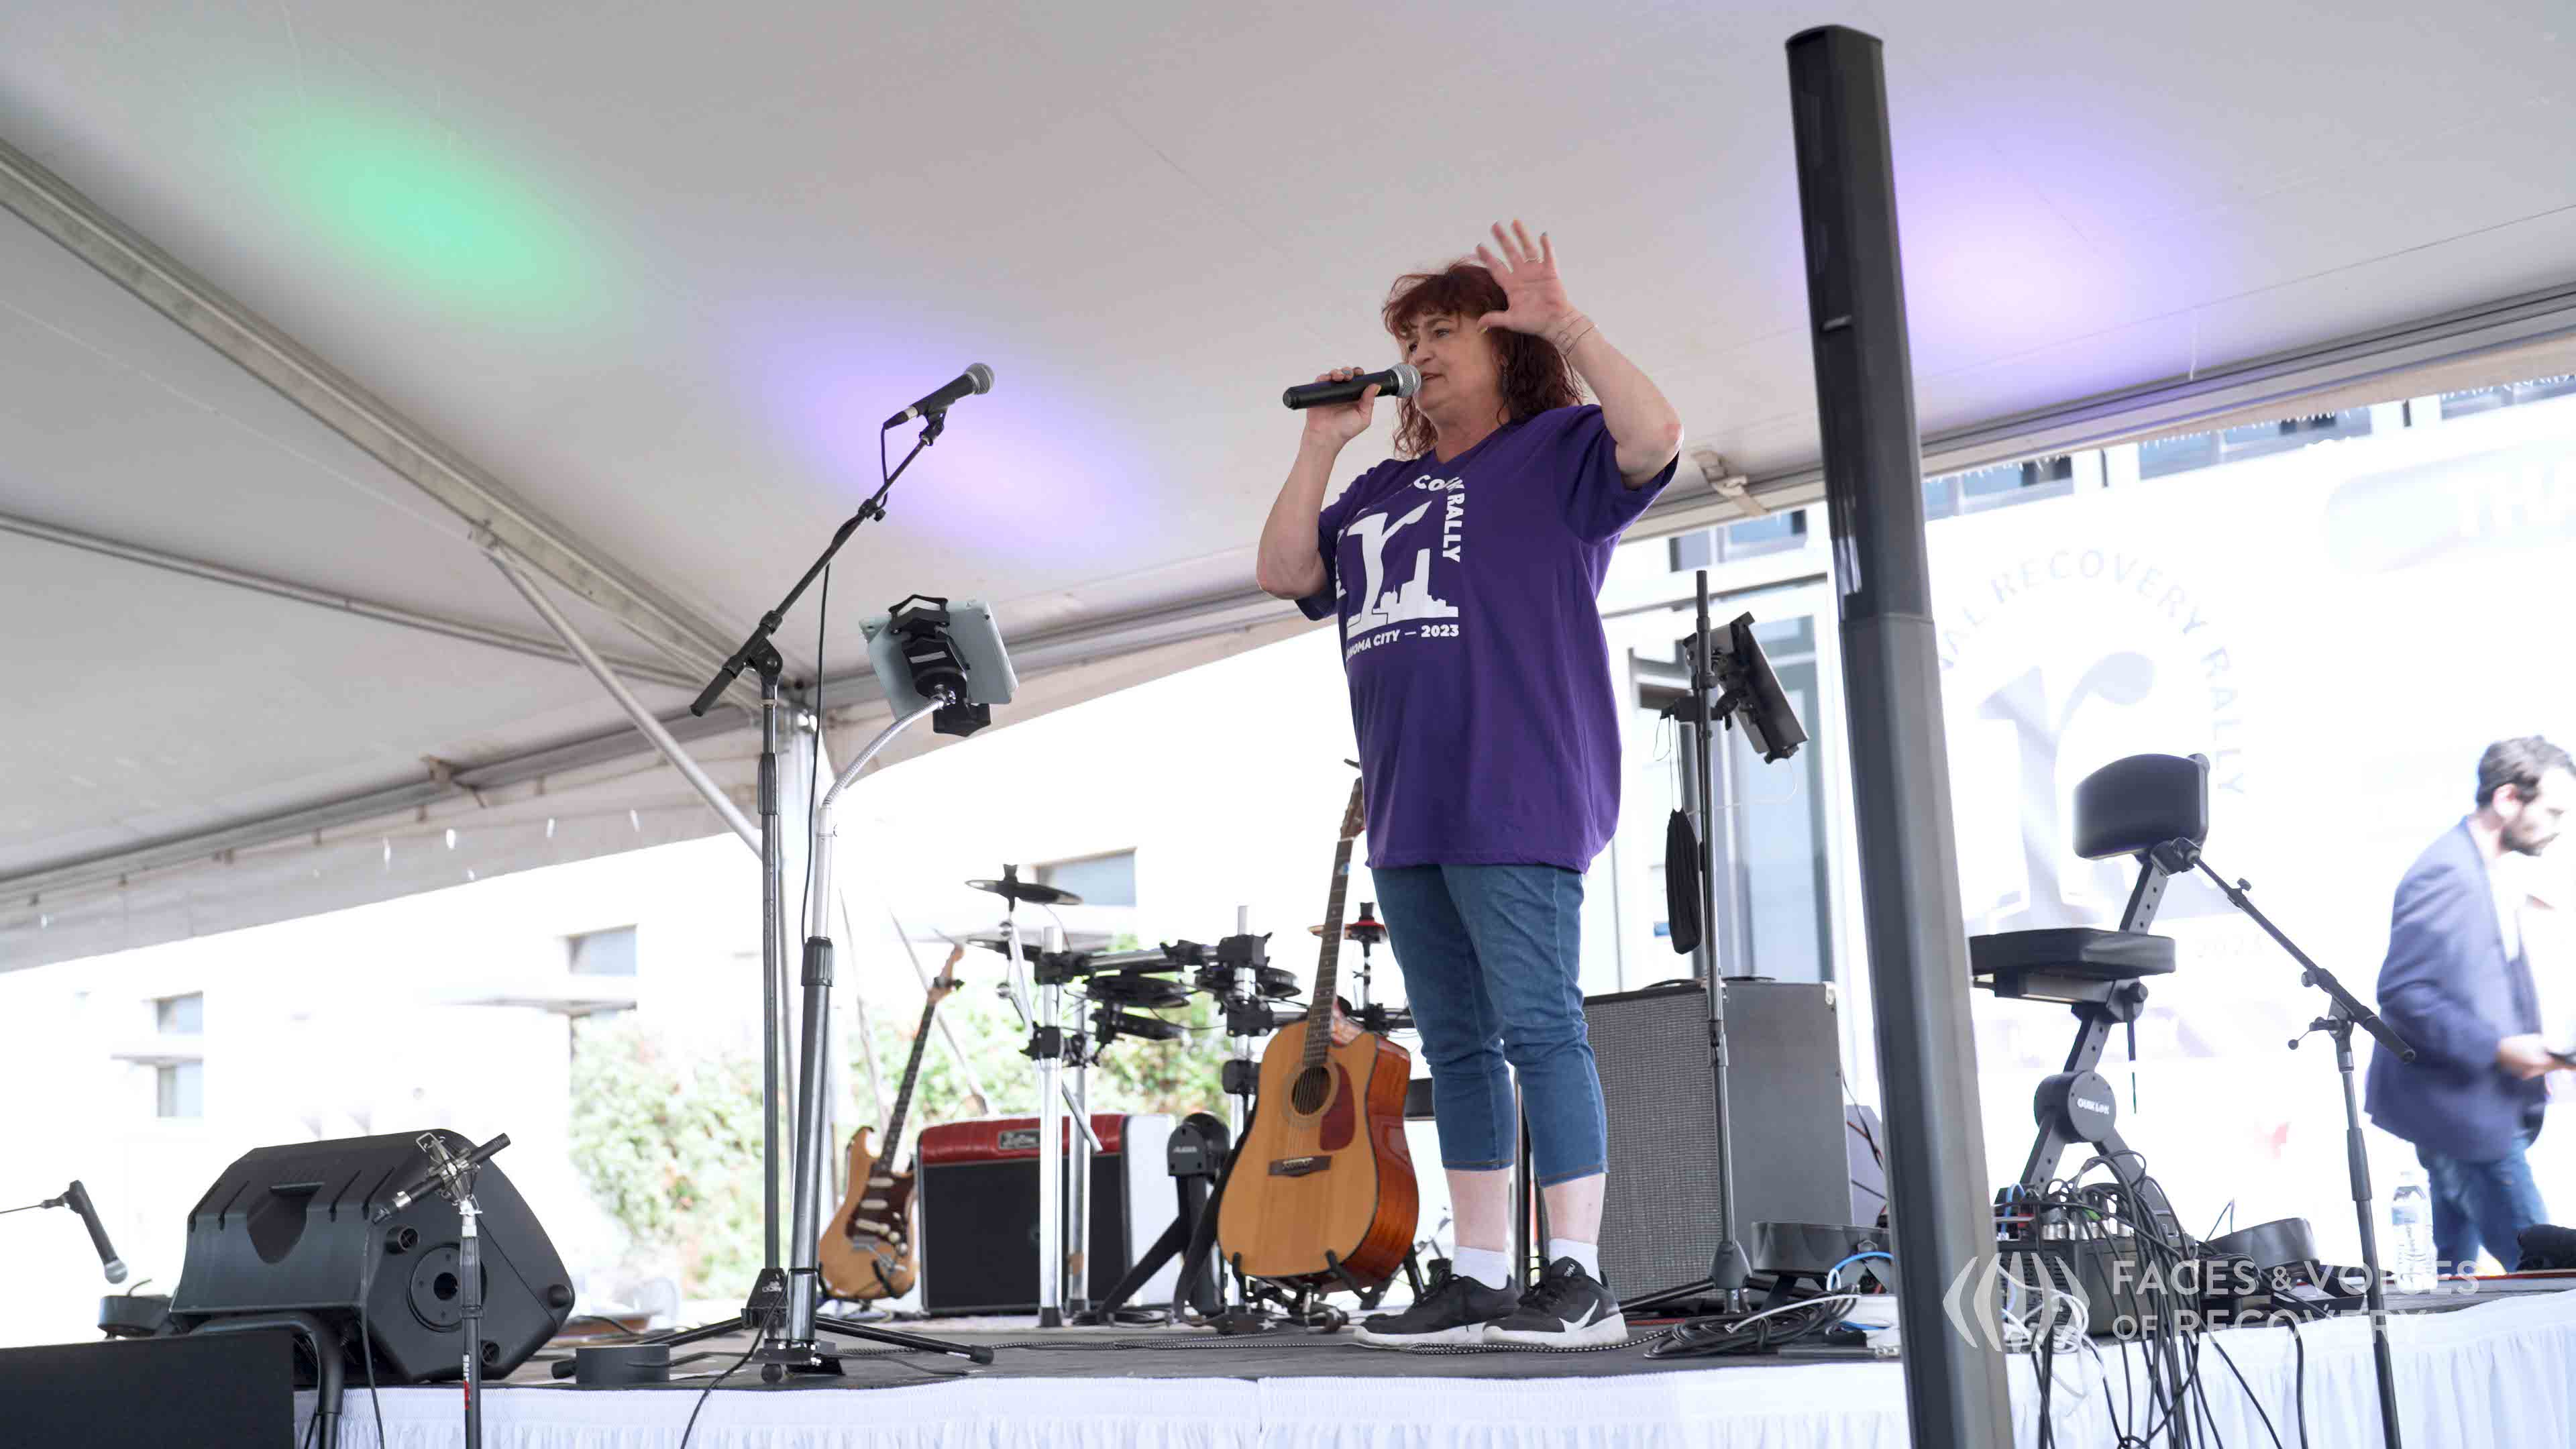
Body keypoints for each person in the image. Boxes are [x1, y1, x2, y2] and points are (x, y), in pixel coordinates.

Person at [1254, 221, 1683, 1347]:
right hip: (1410, 806)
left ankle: (1579, 1277)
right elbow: (1286, 570)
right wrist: (1321, 445)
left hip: (1520, 788)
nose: (1422, 353)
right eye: (1412, 338)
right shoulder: (1381, 487)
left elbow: (1656, 435)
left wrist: (1569, 325)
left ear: (1505, 349)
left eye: (1445, 333)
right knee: (1455, 1047)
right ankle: (1482, 1274)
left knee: (1540, 1027)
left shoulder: (1555, 452)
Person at [2365, 736, 2575, 1273]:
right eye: (2553, 812)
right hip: (2465, 1119)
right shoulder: (2449, 872)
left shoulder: (2482, 867)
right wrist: (2500, 1049)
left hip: (2468, 1112)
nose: (2560, 826)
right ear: (2507, 799)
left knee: (2452, 1281)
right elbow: (2404, 994)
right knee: (2552, 1280)